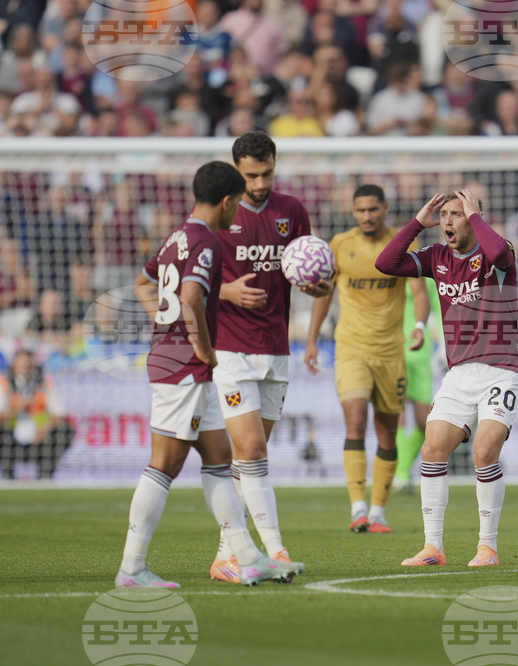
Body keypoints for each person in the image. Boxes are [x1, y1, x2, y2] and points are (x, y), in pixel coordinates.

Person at [117, 161, 303, 588]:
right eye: (236, 201)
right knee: (164, 465)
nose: (238, 210)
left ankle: (247, 558)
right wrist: (202, 347)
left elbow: (144, 284)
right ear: (226, 200)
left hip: (178, 362)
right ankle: (131, 569)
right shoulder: (206, 242)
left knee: (221, 461)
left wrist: (165, 328)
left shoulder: (176, 236)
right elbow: (190, 298)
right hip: (184, 366)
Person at [376, 190, 518, 568]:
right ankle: (433, 548)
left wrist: (476, 218)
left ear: (473, 217)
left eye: (455, 214)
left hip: (502, 368)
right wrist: (415, 223)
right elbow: (386, 263)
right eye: (443, 214)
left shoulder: (497, 253)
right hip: (459, 373)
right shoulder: (435, 257)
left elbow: (498, 253)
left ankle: (487, 548)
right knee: (432, 450)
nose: (447, 222)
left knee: (483, 452)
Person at [209, 133, 332, 583]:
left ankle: (227, 555)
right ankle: (276, 551)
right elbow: (187, 278)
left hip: (276, 349)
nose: (260, 183)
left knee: (249, 462)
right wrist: (226, 290)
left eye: (267, 173)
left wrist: (316, 287)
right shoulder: (220, 212)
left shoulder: (292, 211)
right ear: (237, 170)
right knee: (252, 449)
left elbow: (314, 273)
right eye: (251, 175)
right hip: (230, 349)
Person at [304, 184, 429, 533]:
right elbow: (324, 294)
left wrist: (419, 325)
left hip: (391, 352)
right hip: (351, 348)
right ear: (353, 211)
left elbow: (419, 292)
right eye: (360, 210)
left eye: (373, 209)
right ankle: (358, 508)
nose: (367, 216)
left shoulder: (404, 245)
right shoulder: (340, 245)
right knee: (355, 421)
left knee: (387, 434)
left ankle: (377, 512)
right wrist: (312, 340)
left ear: (384, 208)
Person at [394, 277, 442, 493]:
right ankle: (399, 475)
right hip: (394, 351)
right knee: (397, 415)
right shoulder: (389, 272)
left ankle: (401, 469)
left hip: (422, 354)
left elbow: (440, 310)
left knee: (426, 423)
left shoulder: (428, 277)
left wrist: (444, 343)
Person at [0, 350, 74, 480]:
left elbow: (59, 413)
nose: (25, 367)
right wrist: (18, 407)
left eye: (28, 364)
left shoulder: (45, 383)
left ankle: (45, 474)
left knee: (66, 429)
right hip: (11, 438)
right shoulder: (4, 383)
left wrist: (45, 427)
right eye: (21, 364)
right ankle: (8, 473)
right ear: (14, 365)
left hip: (40, 439)